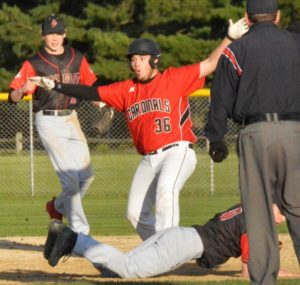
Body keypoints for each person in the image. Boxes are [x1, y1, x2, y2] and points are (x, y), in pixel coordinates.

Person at [29, 17, 249, 241]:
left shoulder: (174, 78)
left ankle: (168, 248)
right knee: (135, 213)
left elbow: (210, 64)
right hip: (149, 159)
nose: (136, 63)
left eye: (141, 59)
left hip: (177, 151)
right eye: (133, 59)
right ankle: (157, 249)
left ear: (154, 61)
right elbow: (90, 93)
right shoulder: (126, 89)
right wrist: (56, 85)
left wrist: (229, 38)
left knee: (166, 191)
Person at [204, 0, 300, 284]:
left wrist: (216, 137)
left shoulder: (236, 49)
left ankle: (263, 280)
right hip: (296, 131)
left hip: (255, 133)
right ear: (278, 16)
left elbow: (220, 98)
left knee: (258, 214)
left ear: (247, 17)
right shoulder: (296, 43)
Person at [9, 14, 113, 257]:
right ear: (42, 35)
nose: (54, 38)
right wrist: (22, 90)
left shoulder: (77, 58)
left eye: (58, 33)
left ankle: (56, 207)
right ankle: (80, 236)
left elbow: (90, 87)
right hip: (48, 120)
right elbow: (13, 96)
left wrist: (102, 105)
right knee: (70, 180)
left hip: (71, 118)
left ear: (64, 34)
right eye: (49, 33)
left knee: (86, 177)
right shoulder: (34, 63)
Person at [43, 202, 297, 279]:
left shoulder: (246, 206)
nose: (281, 219)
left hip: (180, 235)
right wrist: (283, 274)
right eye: (281, 212)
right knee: (129, 269)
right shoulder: (257, 222)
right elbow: (248, 272)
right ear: (271, 203)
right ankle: (73, 240)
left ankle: (70, 238)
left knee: (118, 268)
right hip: (184, 245)